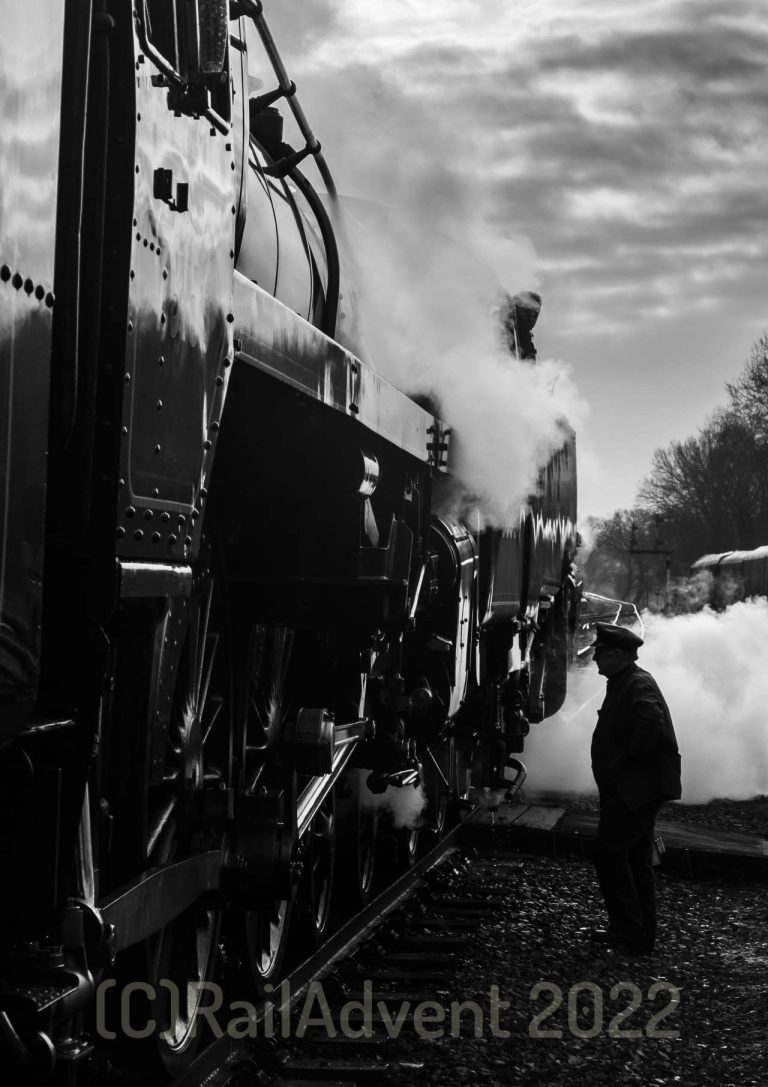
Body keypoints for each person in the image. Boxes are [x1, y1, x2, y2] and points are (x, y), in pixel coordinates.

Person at [589, 623, 681, 955]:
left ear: (616, 655)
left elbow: (650, 723)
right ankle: (638, 934)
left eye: (599, 653)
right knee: (636, 856)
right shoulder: (625, 681)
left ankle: (629, 928)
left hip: (635, 790)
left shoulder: (636, 682)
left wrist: (625, 765)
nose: (595, 659)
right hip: (635, 788)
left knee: (609, 851)